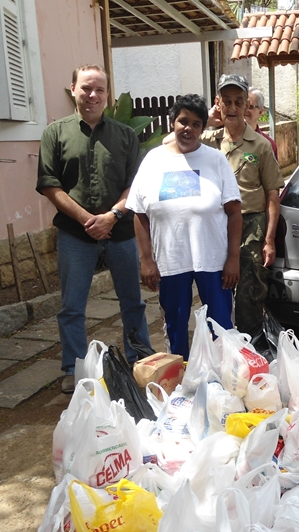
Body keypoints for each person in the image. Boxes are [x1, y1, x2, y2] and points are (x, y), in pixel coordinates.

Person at [36, 64, 150, 394]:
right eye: (86, 88)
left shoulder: (125, 136)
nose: (92, 95)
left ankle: (138, 358)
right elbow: (49, 185)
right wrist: (88, 219)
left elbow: (135, 185)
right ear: (73, 89)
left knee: (133, 302)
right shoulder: (54, 134)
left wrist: (111, 216)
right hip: (75, 235)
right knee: (72, 305)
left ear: (107, 95)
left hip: (121, 232)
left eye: (99, 89)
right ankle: (74, 367)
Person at [125, 94, 242, 359]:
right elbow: (139, 213)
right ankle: (180, 382)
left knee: (221, 327)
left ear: (203, 128)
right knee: (176, 328)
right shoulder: (153, 161)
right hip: (171, 261)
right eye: (182, 121)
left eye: (196, 124)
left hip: (212, 261)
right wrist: (146, 260)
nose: (188, 128)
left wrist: (233, 258)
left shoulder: (215, 160)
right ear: (173, 123)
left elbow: (235, 213)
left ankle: (224, 386)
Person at [202, 75, 285, 339]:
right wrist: (206, 118)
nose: (233, 108)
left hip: (251, 226)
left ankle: (251, 350)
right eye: (226, 102)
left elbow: (273, 195)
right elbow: (172, 140)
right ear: (218, 104)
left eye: (239, 102)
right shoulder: (208, 141)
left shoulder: (260, 145)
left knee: (250, 295)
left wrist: (269, 240)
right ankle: (221, 350)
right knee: (216, 294)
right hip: (216, 227)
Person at [244, 87, 278, 160]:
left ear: (260, 112)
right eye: (243, 105)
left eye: (250, 107)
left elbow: (272, 171)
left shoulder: (268, 145)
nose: (245, 110)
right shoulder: (228, 139)